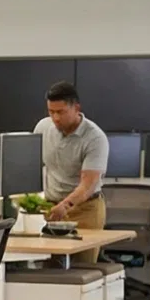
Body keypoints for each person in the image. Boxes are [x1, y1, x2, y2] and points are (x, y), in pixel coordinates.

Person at [35, 81, 109, 263]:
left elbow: (88, 183)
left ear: (76, 108)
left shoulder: (95, 138)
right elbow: (32, 165)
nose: (55, 118)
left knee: (82, 267)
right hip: (51, 208)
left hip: (84, 209)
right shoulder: (43, 128)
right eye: (51, 112)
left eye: (61, 112)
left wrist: (66, 205)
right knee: (48, 265)